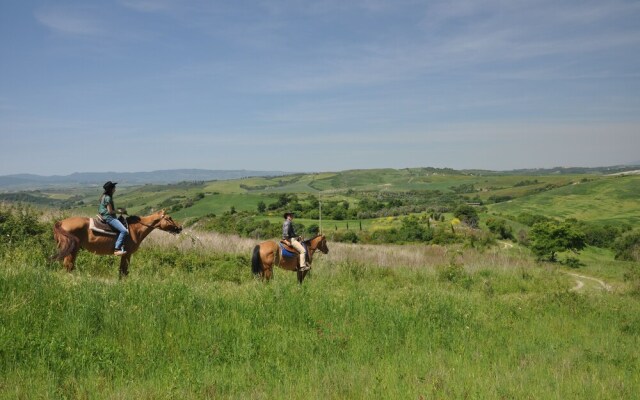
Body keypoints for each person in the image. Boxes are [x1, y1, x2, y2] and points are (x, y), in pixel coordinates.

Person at [99, 181, 128, 256]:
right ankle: (117, 249)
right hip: (109, 217)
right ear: (111, 189)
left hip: (105, 215)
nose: (115, 189)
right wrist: (120, 211)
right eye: (114, 187)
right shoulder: (108, 198)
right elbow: (110, 211)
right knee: (124, 231)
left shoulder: (104, 196)